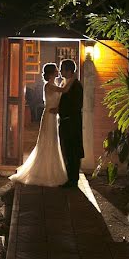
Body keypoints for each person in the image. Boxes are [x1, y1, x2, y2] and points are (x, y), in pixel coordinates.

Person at [9, 63, 71, 186]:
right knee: (47, 141)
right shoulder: (49, 86)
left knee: (52, 142)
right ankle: (44, 171)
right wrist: (71, 79)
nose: (58, 71)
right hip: (49, 116)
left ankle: (51, 168)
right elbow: (64, 90)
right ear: (51, 73)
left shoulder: (54, 85)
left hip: (53, 116)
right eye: (56, 70)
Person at [56, 58, 84, 188]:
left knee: (73, 152)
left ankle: (73, 181)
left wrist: (60, 110)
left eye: (62, 69)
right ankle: (70, 178)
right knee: (68, 151)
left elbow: (76, 106)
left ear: (69, 70)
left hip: (72, 123)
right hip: (66, 122)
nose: (61, 72)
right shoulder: (68, 84)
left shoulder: (76, 85)